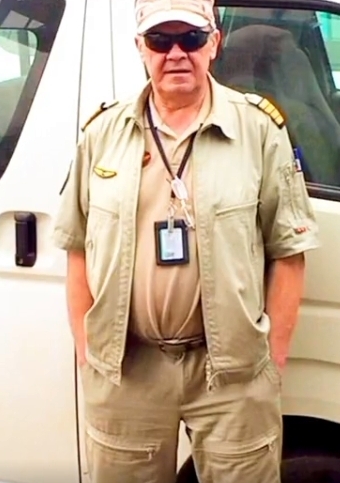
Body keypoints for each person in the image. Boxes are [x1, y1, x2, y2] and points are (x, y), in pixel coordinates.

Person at [52, 0, 321, 481]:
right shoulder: (102, 134)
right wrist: (87, 348)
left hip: (231, 376)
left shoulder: (259, 131)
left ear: (214, 43)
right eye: (160, 40)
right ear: (141, 48)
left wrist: (271, 361)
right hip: (128, 371)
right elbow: (76, 245)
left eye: (191, 38)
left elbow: (289, 253)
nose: (176, 53)